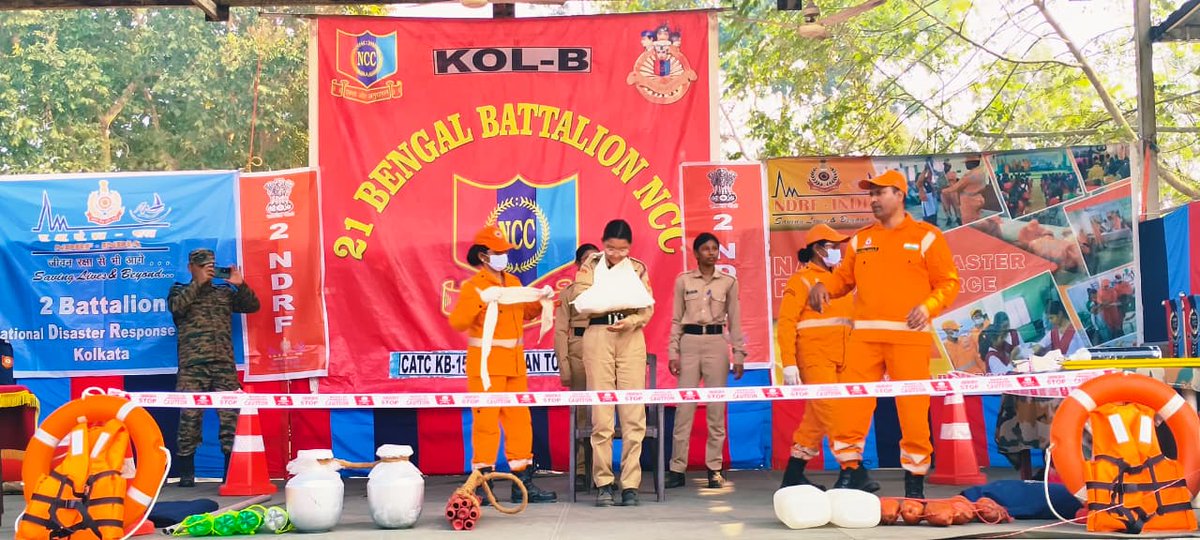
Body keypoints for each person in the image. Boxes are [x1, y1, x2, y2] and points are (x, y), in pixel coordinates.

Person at [807, 170, 960, 498]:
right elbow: (844, 280)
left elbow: (948, 283)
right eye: (870, 194)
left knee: (913, 412)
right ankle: (850, 472)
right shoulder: (861, 240)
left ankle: (914, 483)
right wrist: (824, 286)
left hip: (909, 337)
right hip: (863, 339)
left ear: (900, 194)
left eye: (880, 193)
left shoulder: (927, 236)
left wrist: (928, 306)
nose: (873, 200)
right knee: (851, 407)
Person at [449, 225, 557, 504]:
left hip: (514, 366)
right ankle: (481, 486)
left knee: (521, 423)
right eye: (498, 252)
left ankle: (522, 483)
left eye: (505, 252)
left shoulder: (512, 282)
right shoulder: (474, 287)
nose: (503, 256)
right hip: (486, 368)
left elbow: (523, 313)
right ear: (484, 256)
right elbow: (458, 322)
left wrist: (542, 299)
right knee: (486, 425)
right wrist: (482, 302)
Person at [572, 219, 654, 507]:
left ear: (630, 247)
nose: (616, 254)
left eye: (622, 249)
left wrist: (630, 320)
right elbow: (581, 300)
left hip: (631, 335)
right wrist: (610, 303)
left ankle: (630, 484)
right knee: (602, 416)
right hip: (597, 335)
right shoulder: (590, 266)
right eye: (610, 248)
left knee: (633, 415)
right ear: (603, 243)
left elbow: (646, 308)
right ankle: (604, 482)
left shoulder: (637, 268)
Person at [168, 248, 261, 487]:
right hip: (193, 365)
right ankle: (186, 474)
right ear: (191, 268)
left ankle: (231, 473)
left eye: (210, 265)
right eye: (201, 266)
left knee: (230, 419)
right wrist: (197, 284)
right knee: (190, 419)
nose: (207, 269)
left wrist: (240, 285)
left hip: (223, 364)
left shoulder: (223, 293)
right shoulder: (179, 290)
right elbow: (177, 308)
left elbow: (252, 306)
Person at [666, 233, 746, 490]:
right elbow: (676, 319)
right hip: (689, 343)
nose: (711, 253)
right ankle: (677, 469)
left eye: (715, 249)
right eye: (706, 249)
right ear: (696, 253)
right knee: (684, 410)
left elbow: (735, 320)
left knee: (715, 409)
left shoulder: (728, 282)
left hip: (716, 344)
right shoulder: (683, 280)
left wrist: (739, 354)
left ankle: (715, 468)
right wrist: (672, 353)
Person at [775, 224, 853, 489]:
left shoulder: (839, 281)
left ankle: (793, 475)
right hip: (815, 357)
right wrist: (788, 363)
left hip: (843, 358)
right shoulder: (801, 280)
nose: (838, 251)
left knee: (817, 418)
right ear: (818, 249)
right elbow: (786, 323)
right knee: (834, 413)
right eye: (833, 246)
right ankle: (852, 471)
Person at [554, 242, 599, 492]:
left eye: (596, 259)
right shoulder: (569, 293)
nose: (591, 264)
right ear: (578, 264)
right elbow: (560, 332)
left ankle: (602, 471)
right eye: (587, 260)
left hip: (604, 349)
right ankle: (582, 470)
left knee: (602, 414)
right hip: (578, 350)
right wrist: (564, 365)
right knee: (582, 415)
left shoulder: (610, 290)